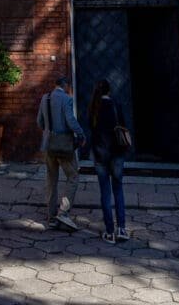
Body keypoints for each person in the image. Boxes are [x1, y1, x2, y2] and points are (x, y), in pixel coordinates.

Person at [37, 76, 86, 230]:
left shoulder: (45, 98)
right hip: (64, 145)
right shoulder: (67, 99)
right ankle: (63, 211)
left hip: (49, 144)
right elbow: (70, 120)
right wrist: (81, 133)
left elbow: (39, 121)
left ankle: (51, 217)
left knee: (51, 179)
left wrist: (48, 132)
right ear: (65, 86)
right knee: (73, 176)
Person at [89, 78, 129, 243]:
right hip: (117, 154)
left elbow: (91, 131)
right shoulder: (116, 104)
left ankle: (109, 231)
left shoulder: (93, 108)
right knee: (118, 190)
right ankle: (121, 228)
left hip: (100, 155)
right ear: (109, 91)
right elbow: (124, 125)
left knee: (105, 193)